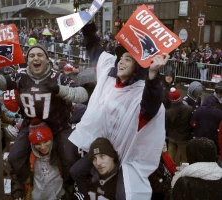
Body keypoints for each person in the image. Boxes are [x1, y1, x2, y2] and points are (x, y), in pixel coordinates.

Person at [0, 43, 88, 200]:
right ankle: (20, 188)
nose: (36, 58)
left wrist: (60, 90)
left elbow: (82, 94)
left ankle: (69, 191)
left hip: (58, 127)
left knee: (70, 158)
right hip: (31, 124)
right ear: (27, 60)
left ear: (47, 59)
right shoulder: (21, 76)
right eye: (32, 56)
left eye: (40, 55)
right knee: (14, 157)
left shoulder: (58, 77)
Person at [68, 22, 169, 200]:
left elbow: (150, 107)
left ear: (137, 67)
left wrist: (153, 78)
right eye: (120, 58)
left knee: (124, 194)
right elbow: (95, 50)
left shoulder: (140, 92)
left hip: (126, 156)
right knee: (76, 171)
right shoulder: (108, 75)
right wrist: (88, 26)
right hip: (104, 150)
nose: (121, 61)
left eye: (128, 59)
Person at [28, 118, 65, 200]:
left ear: (51, 139)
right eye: (38, 144)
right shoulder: (31, 158)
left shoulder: (60, 154)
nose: (43, 147)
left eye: (45, 142)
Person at [166, 88, 193, 165]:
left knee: (170, 159)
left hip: (172, 138)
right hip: (184, 139)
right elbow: (191, 123)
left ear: (170, 99)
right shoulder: (189, 109)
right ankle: (183, 174)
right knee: (184, 159)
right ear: (180, 97)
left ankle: (170, 173)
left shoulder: (168, 112)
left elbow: (167, 126)